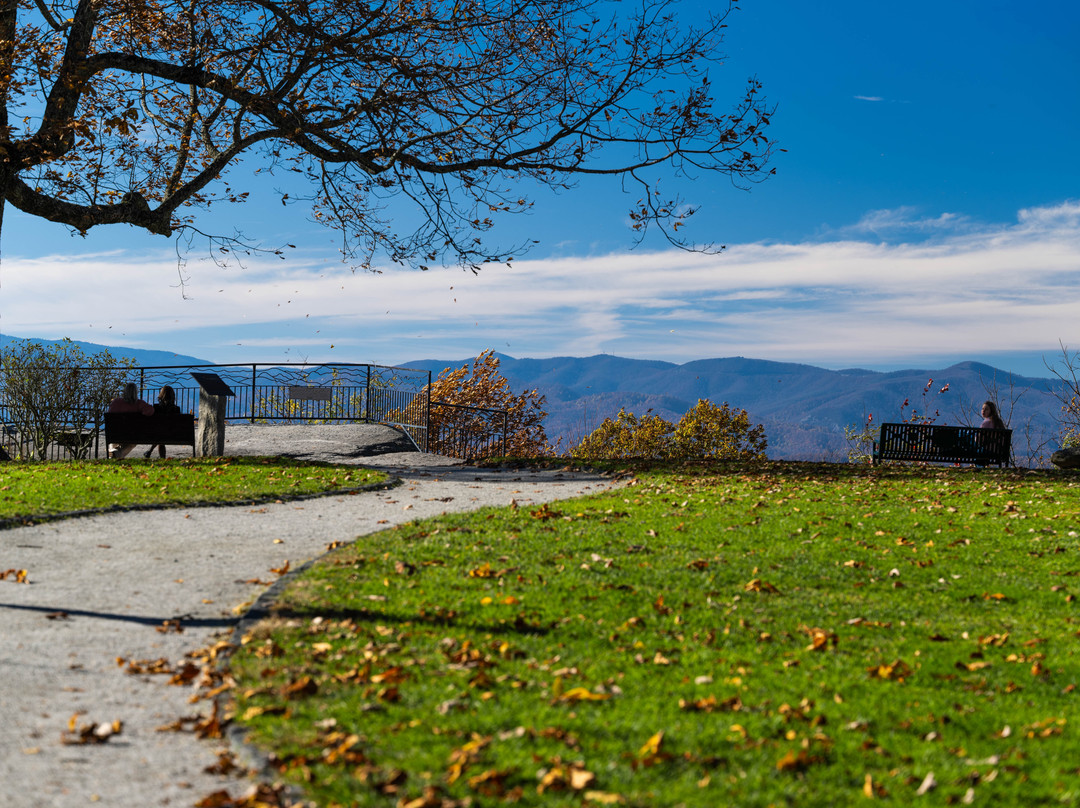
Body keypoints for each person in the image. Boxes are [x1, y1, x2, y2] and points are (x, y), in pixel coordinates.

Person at [107, 382, 154, 458]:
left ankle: (113, 452)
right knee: (132, 442)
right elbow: (150, 411)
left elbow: (110, 415)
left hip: (115, 433)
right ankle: (118, 454)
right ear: (136, 392)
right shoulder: (139, 404)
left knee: (113, 441)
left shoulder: (116, 402)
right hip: (132, 435)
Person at [144, 386, 181, 458]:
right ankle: (151, 452)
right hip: (174, 435)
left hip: (158, 434)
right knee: (162, 433)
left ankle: (151, 451)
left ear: (161, 395)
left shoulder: (156, 408)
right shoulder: (176, 409)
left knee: (160, 434)